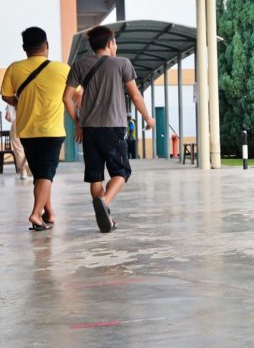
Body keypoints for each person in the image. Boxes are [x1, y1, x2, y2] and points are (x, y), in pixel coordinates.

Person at [63, 26, 154, 233]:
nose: (117, 45)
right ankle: (104, 203)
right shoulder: (122, 64)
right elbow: (136, 96)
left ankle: (105, 218)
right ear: (110, 44)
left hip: (89, 129)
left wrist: (78, 123)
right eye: (115, 42)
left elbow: (66, 97)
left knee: (96, 176)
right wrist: (148, 118)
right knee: (122, 172)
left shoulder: (80, 64)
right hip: (113, 128)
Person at [0, 27, 71, 230]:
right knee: (46, 174)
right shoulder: (62, 69)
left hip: (27, 131)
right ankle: (35, 214)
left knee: (40, 174)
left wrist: (20, 102)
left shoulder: (14, 68)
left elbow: (5, 95)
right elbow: (76, 95)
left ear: (24, 48)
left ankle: (49, 212)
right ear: (47, 45)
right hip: (52, 131)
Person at [5, 104, 30, 179]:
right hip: (28, 124)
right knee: (29, 147)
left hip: (16, 125)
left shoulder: (9, 102)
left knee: (18, 150)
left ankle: (23, 172)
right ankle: (27, 163)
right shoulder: (27, 98)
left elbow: (8, 117)